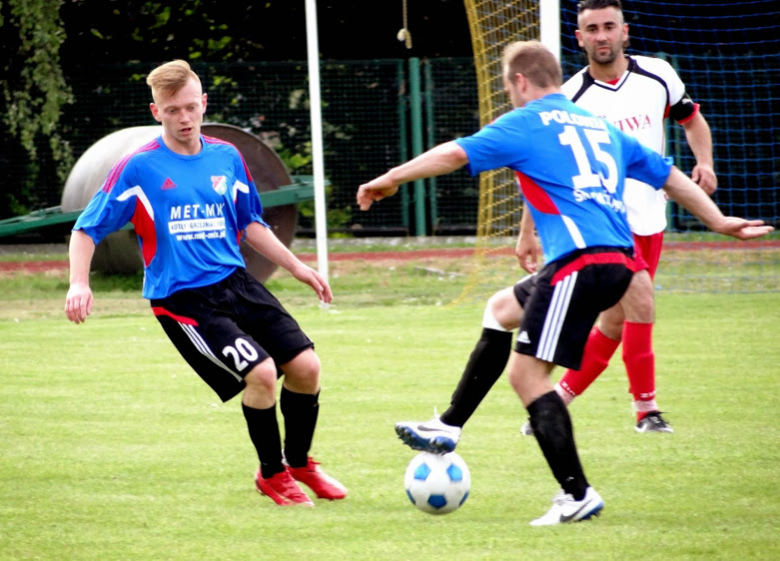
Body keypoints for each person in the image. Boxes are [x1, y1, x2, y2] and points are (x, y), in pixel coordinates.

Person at [358, 41, 770, 525]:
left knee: (527, 377)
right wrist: (718, 221)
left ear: (518, 82)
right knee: (499, 309)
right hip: (616, 261)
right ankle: (447, 426)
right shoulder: (599, 125)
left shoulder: (525, 122)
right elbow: (672, 177)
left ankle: (576, 495)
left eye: (507, 85)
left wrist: (389, 178)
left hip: (580, 263)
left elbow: (452, 154)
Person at [64, 60, 346, 507]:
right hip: (182, 299)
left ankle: (299, 463)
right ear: (156, 111)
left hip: (235, 281)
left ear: (204, 105)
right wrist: (79, 283)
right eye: (173, 110)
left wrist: (298, 268)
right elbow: (86, 228)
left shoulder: (226, 156)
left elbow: (249, 222)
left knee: (307, 367)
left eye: (191, 107)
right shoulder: (139, 168)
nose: (184, 118)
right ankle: (272, 475)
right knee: (262, 373)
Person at [519, 0, 719, 434]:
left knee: (614, 321)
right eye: (592, 29)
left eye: (609, 26)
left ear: (624, 31)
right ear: (580, 37)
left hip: (651, 218)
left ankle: (555, 402)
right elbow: (540, 167)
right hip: (603, 225)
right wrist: (528, 231)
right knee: (641, 304)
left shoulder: (658, 75)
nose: (602, 36)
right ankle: (646, 410)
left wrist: (704, 162)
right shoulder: (570, 97)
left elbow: (692, 120)